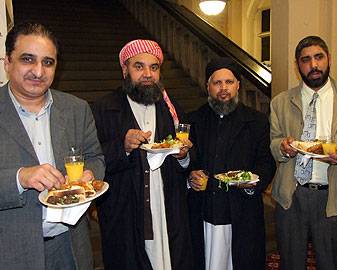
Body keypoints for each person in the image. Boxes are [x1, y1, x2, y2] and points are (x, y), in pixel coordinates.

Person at [0, 22, 105, 270]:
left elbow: (96, 158)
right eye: (28, 59)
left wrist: (89, 176)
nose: (38, 71)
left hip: (71, 247)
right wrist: (19, 177)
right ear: (7, 62)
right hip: (10, 250)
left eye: (48, 62)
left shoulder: (77, 109)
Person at [92, 39, 194, 270]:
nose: (147, 74)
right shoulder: (103, 108)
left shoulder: (172, 107)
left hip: (168, 207)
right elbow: (92, 159)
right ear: (124, 70)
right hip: (126, 210)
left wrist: (183, 156)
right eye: (139, 66)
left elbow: (189, 155)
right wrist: (123, 147)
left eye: (154, 67)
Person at [270, 35, 337, 270]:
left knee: (330, 262)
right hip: (292, 195)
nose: (314, 65)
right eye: (306, 60)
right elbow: (273, 141)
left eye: (318, 57)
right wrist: (283, 147)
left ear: (328, 58)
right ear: (297, 65)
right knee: (290, 262)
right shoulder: (280, 102)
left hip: (335, 195)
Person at [187, 57, 276, 270]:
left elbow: (266, 162)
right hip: (204, 211)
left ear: (238, 85)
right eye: (217, 83)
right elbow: (186, 161)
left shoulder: (257, 121)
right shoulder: (194, 120)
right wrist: (190, 176)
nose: (223, 88)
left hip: (241, 211)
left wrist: (251, 184)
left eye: (229, 82)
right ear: (208, 86)